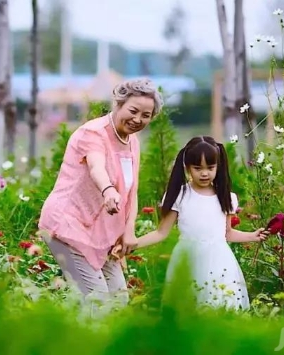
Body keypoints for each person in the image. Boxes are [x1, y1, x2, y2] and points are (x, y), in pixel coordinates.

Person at [38, 78, 164, 308]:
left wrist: (128, 233)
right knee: (98, 305)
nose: (137, 120)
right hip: (68, 226)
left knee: (118, 302)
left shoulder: (132, 142)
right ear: (118, 104)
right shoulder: (93, 133)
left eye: (146, 116)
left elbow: (131, 192)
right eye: (133, 111)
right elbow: (97, 167)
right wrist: (108, 191)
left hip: (102, 235)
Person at [116, 136, 267, 310]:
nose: (204, 173)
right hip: (188, 260)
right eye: (197, 168)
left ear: (218, 166)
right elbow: (161, 232)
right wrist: (131, 245)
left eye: (210, 168)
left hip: (219, 262)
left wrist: (253, 236)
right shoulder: (180, 196)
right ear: (187, 167)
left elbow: (227, 233)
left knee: (220, 305)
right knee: (188, 308)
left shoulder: (225, 197)